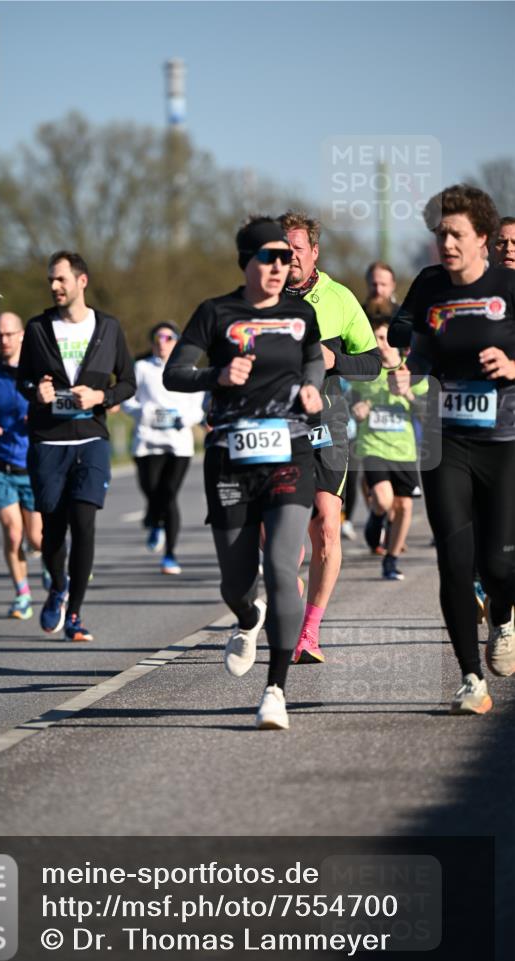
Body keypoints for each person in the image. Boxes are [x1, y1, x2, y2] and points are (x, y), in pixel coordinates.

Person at [164, 216, 325, 730]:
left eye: (286, 258)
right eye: (269, 257)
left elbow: (314, 359)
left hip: (289, 452)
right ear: (247, 261)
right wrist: (217, 374)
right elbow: (175, 373)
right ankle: (246, 616)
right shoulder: (215, 313)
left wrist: (312, 386)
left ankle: (275, 688)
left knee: (281, 568)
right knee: (236, 583)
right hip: (231, 457)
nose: (280, 266)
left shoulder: (300, 313)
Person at [404, 184, 515, 713]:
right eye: (439, 233)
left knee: (497, 564)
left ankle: (504, 613)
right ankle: (471, 679)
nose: (445, 243)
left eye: (455, 234)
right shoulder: (428, 289)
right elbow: (414, 347)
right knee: (454, 557)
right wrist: (408, 369)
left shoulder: (509, 287)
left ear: (484, 239)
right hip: (446, 440)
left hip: (504, 442)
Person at [278, 211, 381, 664]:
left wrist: (335, 360)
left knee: (325, 525)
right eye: (282, 251)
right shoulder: (259, 298)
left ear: (314, 252)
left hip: (327, 424)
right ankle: (283, 571)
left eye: (297, 250)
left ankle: (309, 632)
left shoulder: (339, 298)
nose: (290, 258)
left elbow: (374, 363)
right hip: (275, 426)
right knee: (274, 533)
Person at [18, 251, 135, 641]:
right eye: (50, 280)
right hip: (48, 440)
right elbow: (24, 382)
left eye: (61, 280)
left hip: (91, 439)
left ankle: (76, 615)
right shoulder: (37, 329)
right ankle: (57, 587)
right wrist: (39, 390)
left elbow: (128, 382)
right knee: (53, 528)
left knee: (84, 524)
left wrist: (100, 396)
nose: (54, 286)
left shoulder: (109, 328)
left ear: (81, 281)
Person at [122, 321, 205, 574]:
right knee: (151, 491)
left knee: (169, 495)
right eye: (158, 338)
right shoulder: (142, 368)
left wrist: (185, 419)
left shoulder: (189, 369)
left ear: (177, 342)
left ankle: (170, 554)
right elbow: (128, 400)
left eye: (168, 338)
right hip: (147, 441)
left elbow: (197, 406)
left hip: (177, 443)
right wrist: (144, 412)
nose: (162, 342)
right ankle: (153, 520)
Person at [351, 303, 427, 581]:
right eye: (375, 339)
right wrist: (356, 410)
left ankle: (391, 560)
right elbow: (351, 402)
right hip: (373, 447)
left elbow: (426, 410)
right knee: (383, 500)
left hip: (404, 450)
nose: (380, 345)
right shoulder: (365, 373)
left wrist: (409, 396)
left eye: (383, 338)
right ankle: (376, 518)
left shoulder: (412, 372)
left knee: (404, 507)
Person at [0, 312, 43, 619]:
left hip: (35, 467)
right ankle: (22, 594)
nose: (4, 340)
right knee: (13, 534)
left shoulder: (40, 376)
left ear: (22, 336)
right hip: (1, 467)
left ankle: (56, 562)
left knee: (37, 538)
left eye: (9, 334)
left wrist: (43, 416)